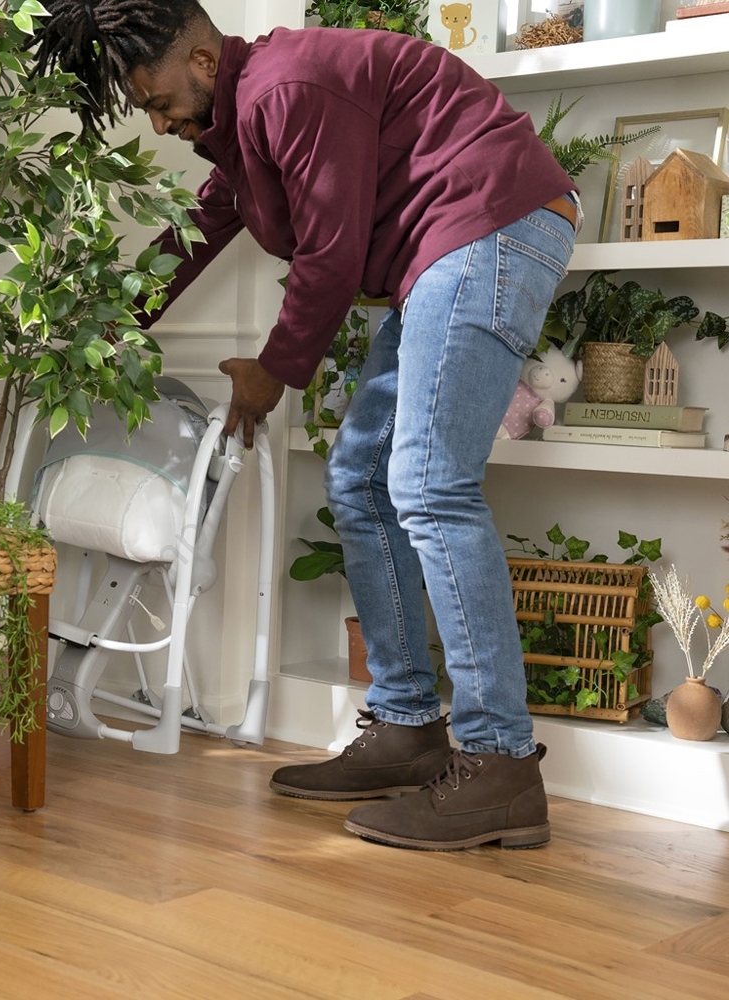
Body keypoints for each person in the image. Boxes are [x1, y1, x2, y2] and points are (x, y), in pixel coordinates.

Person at [34, 1, 580, 851]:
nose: (158, 122)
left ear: (203, 61)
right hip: (444, 250)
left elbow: (329, 253)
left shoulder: (286, 88)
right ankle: (406, 726)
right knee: (361, 480)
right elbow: (199, 231)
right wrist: (111, 328)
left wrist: (273, 370)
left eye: (157, 100)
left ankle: (501, 763)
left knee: (430, 486)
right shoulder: (246, 123)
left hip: (491, 223)